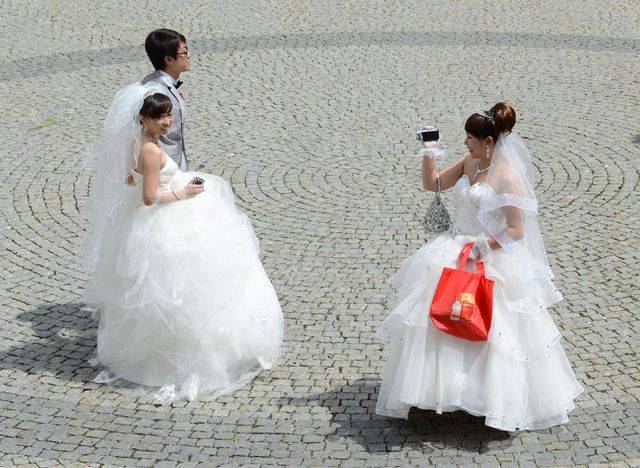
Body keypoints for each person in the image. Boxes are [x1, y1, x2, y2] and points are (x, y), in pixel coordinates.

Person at [375, 102, 583, 431]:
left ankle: (489, 399)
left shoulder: (508, 176)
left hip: (487, 253)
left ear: (489, 141)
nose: (465, 143)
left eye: (470, 138)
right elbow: (434, 185)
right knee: (437, 317)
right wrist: (429, 152)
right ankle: (444, 389)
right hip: (454, 247)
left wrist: (485, 246)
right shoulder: (470, 162)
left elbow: (517, 229)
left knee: (495, 331)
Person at [83, 83, 283, 403]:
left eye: (169, 115)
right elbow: (149, 198)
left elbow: (128, 179)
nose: (167, 122)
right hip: (164, 218)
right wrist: (181, 193)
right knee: (191, 287)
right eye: (159, 117)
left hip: (146, 221)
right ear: (143, 119)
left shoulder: (138, 144)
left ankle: (157, 352)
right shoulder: (149, 150)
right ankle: (195, 356)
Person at [141, 29, 190, 171]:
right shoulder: (155, 90)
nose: (189, 55)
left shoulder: (164, 86)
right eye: (184, 52)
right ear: (168, 59)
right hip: (165, 167)